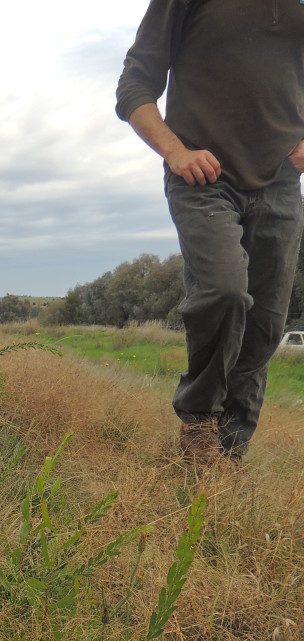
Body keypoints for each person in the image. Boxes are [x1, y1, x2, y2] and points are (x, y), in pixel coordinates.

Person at [116, 0, 304, 461]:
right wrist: (173, 151)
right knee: (224, 291)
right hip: (202, 177)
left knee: (266, 324)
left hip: (280, 181)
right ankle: (199, 423)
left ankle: (228, 456)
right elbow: (133, 86)